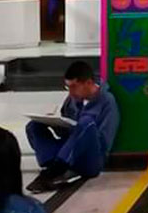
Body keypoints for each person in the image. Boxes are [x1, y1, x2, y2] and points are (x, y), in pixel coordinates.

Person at [25, 61, 120, 193]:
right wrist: (52, 122)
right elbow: (65, 129)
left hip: (91, 158)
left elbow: (104, 141)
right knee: (34, 125)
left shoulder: (106, 101)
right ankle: (52, 165)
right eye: (67, 87)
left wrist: (81, 131)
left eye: (74, 87)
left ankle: (54, 172)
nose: (70, 92)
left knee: (87, 123)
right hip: (69, 151)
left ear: (88, 83)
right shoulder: (72, 100)